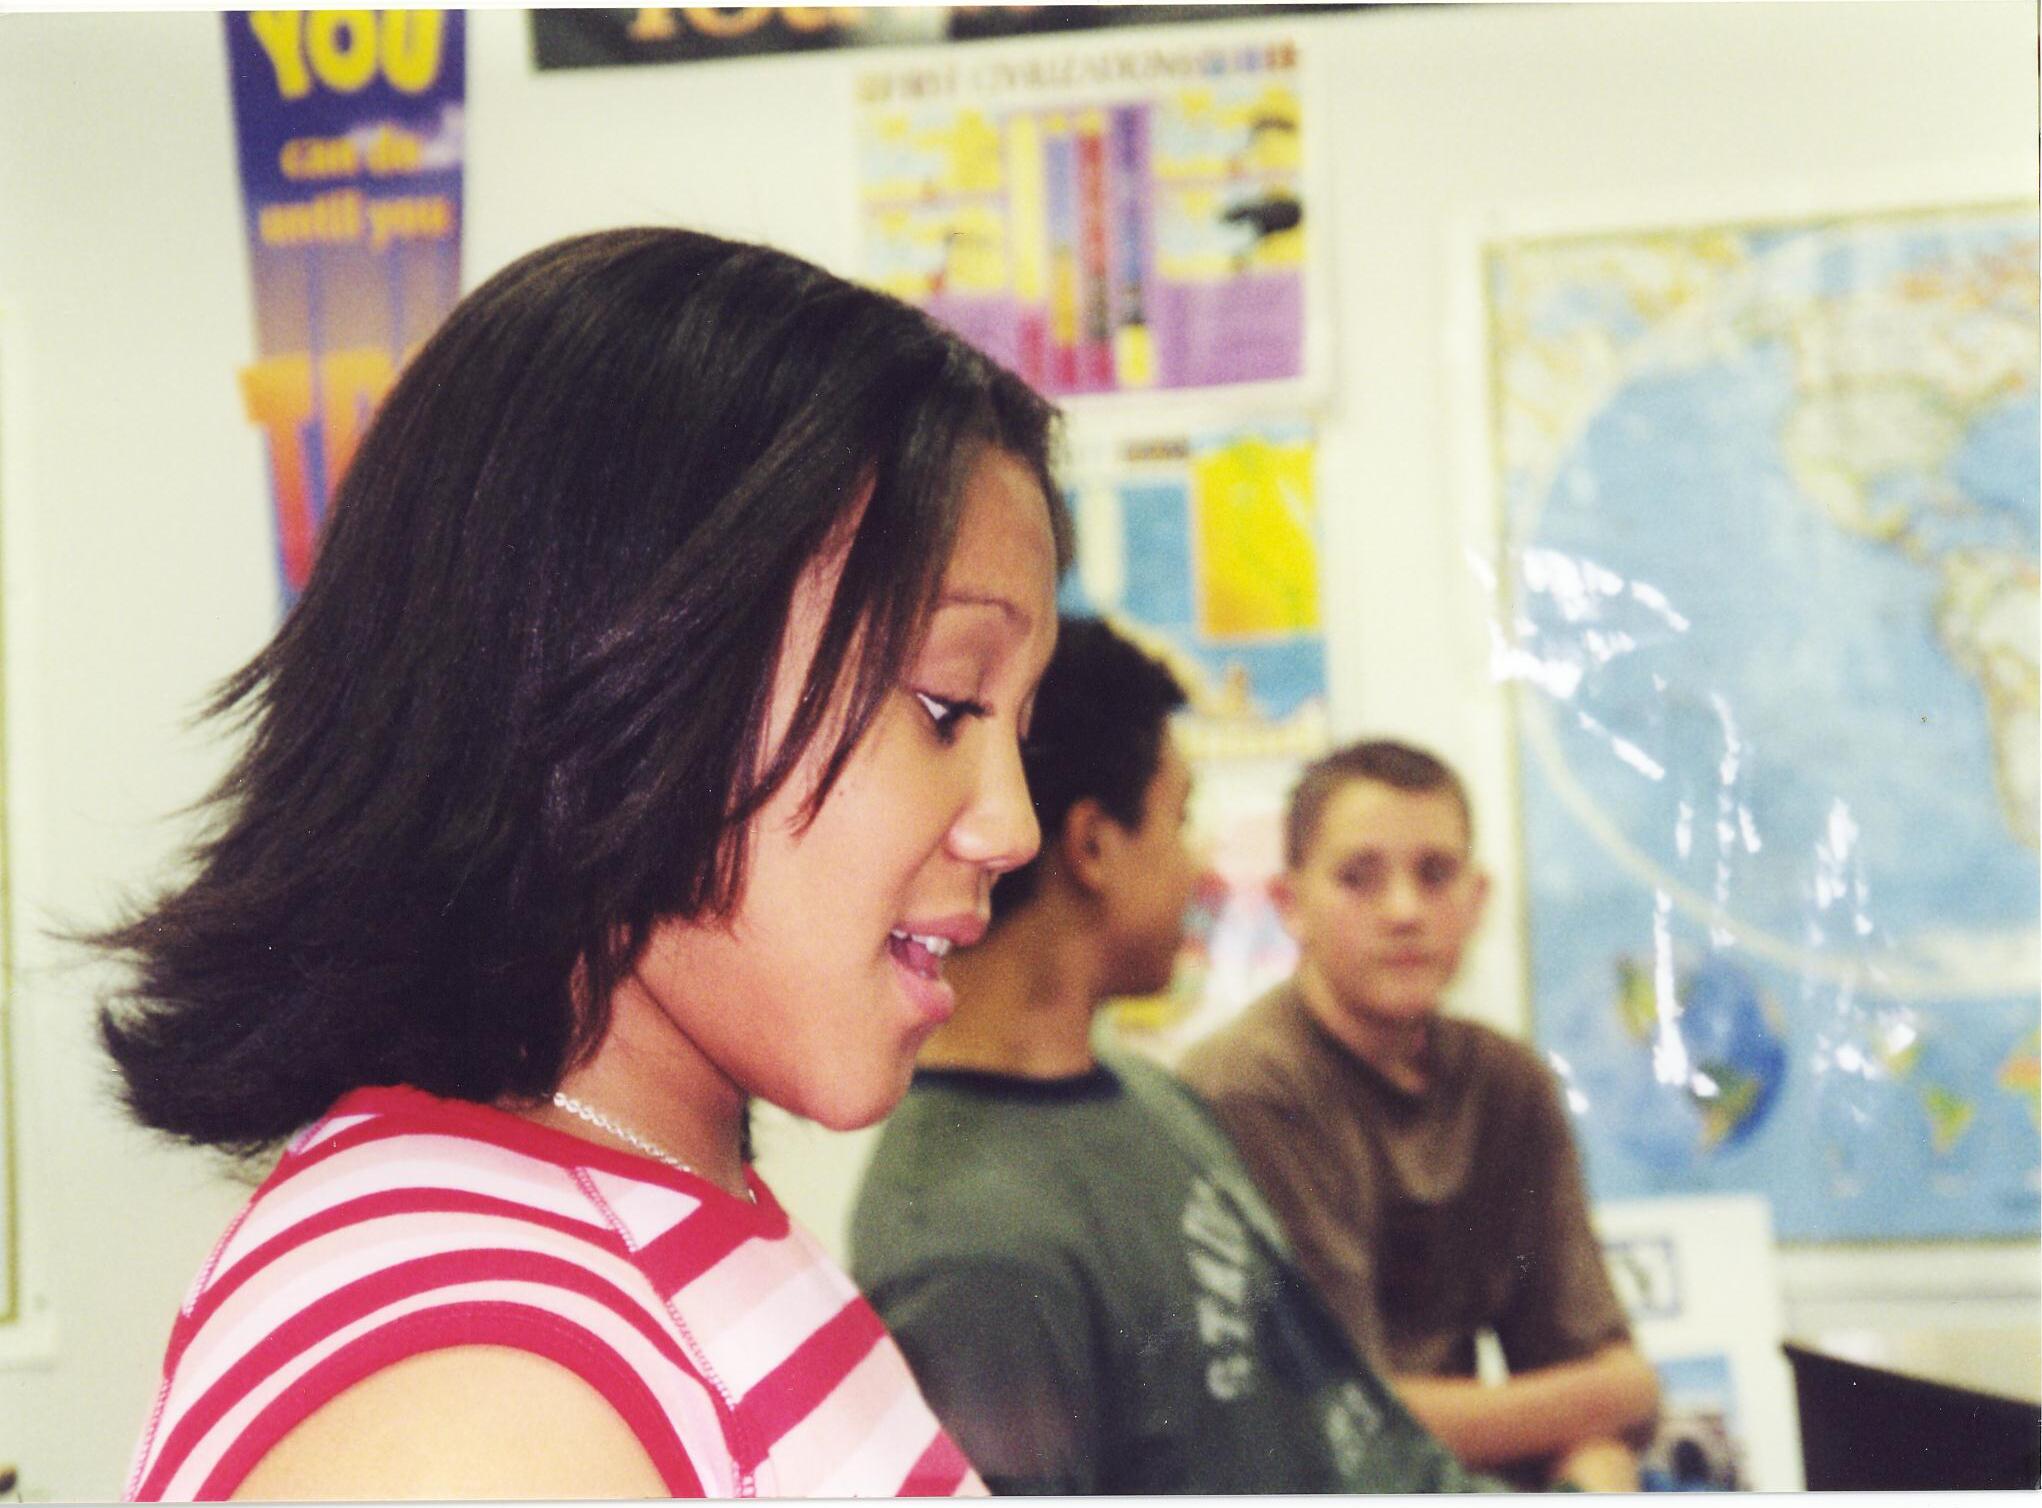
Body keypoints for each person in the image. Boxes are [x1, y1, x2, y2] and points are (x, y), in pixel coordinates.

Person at [93, 227, 1069, 1501]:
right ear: (625, 664)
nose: (1011, 824)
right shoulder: (474, 1404)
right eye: (945, 702)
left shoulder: (650, 1214)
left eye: (1020, 728)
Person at [849, 619, 1506, 1496]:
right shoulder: (969, 1251)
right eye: (1181, 817)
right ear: (1093, 846)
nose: (1200, 868)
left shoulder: (1152, 1098)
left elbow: (1348, 1435)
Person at [1179, 739, 1660, 1491]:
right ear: (1290, 904)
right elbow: (1345, 1416)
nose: (1404, 911)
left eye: (1435, 874)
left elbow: (1594, 1369)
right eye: (1358, 877)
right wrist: (1609, 1396)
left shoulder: (1509, 1084)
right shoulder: (1249, 1087)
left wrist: (1596, 1467)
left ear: (1477, 898)